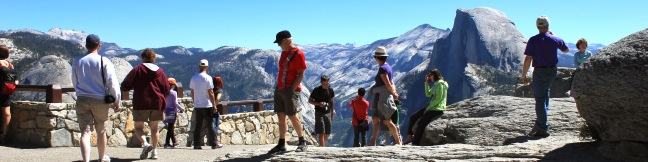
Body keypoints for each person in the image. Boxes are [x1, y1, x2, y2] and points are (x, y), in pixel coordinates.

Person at [71, 34, 121, 162]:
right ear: (99, 45)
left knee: (85, 133)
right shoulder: (104, 61)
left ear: (86, 45)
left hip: (82, 98)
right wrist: (116, 100)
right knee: (101, 131)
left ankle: (86, 160)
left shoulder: (77, 61)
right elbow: (112, 82)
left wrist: (80, 93)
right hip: (100, 100)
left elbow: (74, 81)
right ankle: (101, 158)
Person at [520, 16, 569, 138]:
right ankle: (542, 121)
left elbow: (528, 59)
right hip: (552, 71)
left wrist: (524, 74)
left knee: (540, 99)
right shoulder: (555, 39)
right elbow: (566, 50)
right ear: (548, 25)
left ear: (537, 26)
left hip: (539, 71)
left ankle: (542, 127)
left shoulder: (533, 40)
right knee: (545, 94)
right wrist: (554, 37)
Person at [121, 48, 170, 159]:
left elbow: (125, 85)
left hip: (141, 102)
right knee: (154, 128)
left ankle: (146, 144)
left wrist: (136, 86)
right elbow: (167, 89)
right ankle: (155, 152)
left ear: (142, 58)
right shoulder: (161, 72)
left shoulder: (137, 69)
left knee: (138, 127)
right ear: (154, 58)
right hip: (157, 103)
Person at [267, 30, 308, 154]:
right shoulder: (283, 53)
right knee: (280, 116)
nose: (279, 45)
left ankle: (302, 141)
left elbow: (301, 74)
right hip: (279, 88)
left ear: (287, 40)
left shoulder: (298, 54)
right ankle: (281, 143)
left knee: (292, 115)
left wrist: (291, 89)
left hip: (290, 90)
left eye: (279, 42)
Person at [368, 46, 402, 146]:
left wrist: (393, 93)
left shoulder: (382, 69)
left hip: (382, 98)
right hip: (380, 97)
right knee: (376, 119)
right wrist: (394, 92)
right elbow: (392, 82)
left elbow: (387, 83)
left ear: (377, 58)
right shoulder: (388, 67)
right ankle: (373, 141)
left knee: (387, 120)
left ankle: (398, 141)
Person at [405, 69, 448, 145]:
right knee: (413, 117)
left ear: (434, 75)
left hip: (437, 108)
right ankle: (410, 136)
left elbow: (438, 99)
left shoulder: (440, 84)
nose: (429, 77)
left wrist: (428, 108)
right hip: (432, 107)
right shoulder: (435, 84)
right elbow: (428, 94)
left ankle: (415, 143)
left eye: (430, 76)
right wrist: (426, 83)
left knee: (421, 123)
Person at [189, 59, 220, 149]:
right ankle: (214, 143)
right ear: (206, 67)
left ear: (199, 66)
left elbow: (192, 92)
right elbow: (210, 92)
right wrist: (214, 105)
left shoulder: (194, 78)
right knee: (210, 125)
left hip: (198, 105)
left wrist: (195, 102)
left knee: (198, 125)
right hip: (207, 105)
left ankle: (197, 144)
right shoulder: (208, 78)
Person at [308, 75, 335, 147]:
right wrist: (318, 104)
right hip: (319, 112)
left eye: (328, 83)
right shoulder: (316, 90)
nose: (327, 85)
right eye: (325, 83)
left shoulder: (330, 90)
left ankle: (321, 145)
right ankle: (321, 148)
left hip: (327, 112)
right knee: (321, 132)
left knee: (328, 132)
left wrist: (332, 113)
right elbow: (309, 100)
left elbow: (332, 102)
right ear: (321, 82)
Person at [0, 45, 17, 145]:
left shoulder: (9, 65)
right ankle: (3, 135)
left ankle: (3, 135)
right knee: (7, 114)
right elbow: (15, 78)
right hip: (6, 92)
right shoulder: (10, 65)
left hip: (4, 92)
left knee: (6, 114)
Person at [163, 78, 184, 149]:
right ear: (172, 85)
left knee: (170, 127)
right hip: (172, 111)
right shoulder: (173, 93)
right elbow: (175, 103)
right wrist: (181, 109)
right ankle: (167, 143)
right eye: (174, 85)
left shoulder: (164, 92)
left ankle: (173, 142)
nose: (175, 87)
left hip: (166, 111)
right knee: (171, 127)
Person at [206, 75, 224, 148]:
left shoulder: (210, 89)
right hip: (214, 110)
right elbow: (217, 99)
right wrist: (215, 106)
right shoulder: (219, 90)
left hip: (207, 107)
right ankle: (215, 142)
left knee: (210, 125)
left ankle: (211, 142)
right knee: (215, 126)